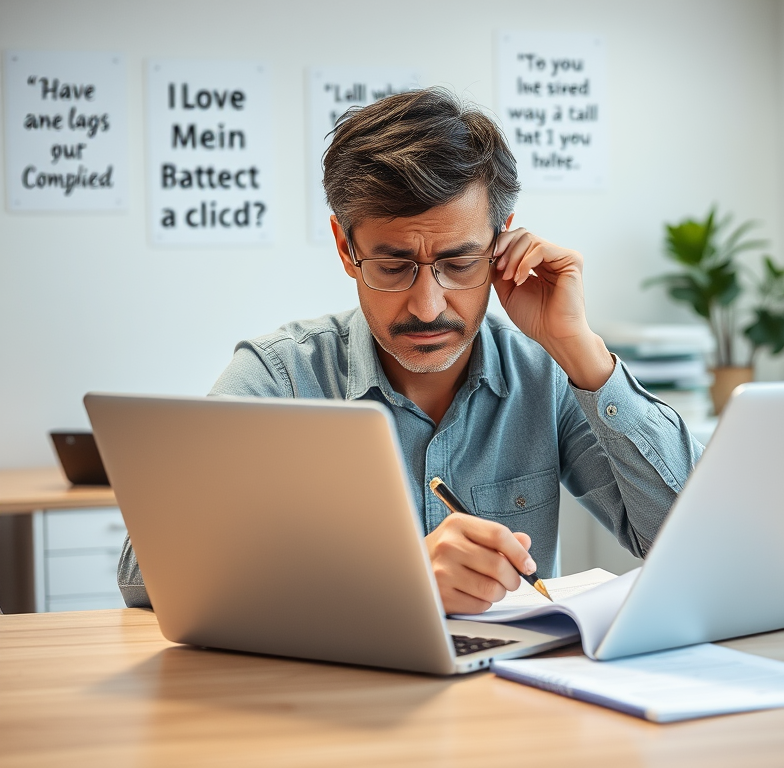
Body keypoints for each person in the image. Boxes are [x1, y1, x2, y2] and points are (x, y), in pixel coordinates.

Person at [118, 87, 703, 614]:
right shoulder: (282, 376)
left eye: (458, 263)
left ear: (501, 244)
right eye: (394, 265)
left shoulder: (545, 374)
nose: (427, 305)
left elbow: (695, 542)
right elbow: (146, 573)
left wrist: (582, 353)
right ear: (345, 249)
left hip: (515, 713)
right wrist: (393, 579)